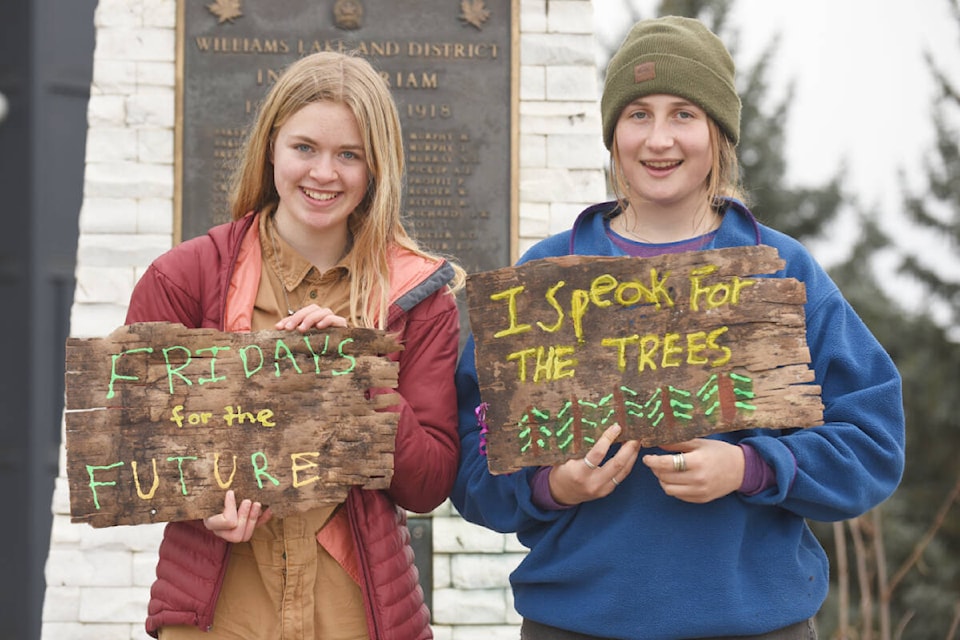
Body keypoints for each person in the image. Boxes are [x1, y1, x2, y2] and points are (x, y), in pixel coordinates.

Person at [451, 16, 905, 640]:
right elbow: (473, 460)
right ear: (612, 134)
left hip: (756, 624)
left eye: (684, 114)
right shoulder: (546, 279)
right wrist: (552, 485)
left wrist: (752, 468)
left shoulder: (781, 273)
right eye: (638, 114)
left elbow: (873, 443)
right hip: (575, 623)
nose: (658, 139)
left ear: (719, 133)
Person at [127, 51, 466, 639]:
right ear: (271, 148)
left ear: (376, 166)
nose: (324, 173)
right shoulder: (183, 279)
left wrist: (367, 382)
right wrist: (200, 500)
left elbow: (430, 481)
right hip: (218, 608)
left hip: (353, 611)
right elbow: (135, 448)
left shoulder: (420, 296)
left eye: (349, 155)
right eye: (304, 147)